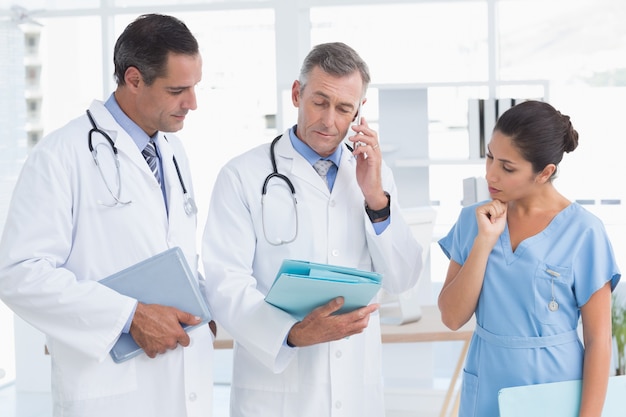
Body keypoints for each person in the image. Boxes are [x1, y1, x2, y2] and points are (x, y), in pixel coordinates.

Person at [0, 14, 214, 417]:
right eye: (177, 90)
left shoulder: (173, 152)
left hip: (184, 380)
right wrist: (129, 316)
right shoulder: (60, 156)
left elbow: (170, 251)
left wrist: (207, 303)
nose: (192, 103)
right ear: (133, 79)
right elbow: (19, 273)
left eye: (195, 87)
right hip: (110, 392)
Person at [201, 42, 423, 417]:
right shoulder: (242, 175)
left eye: (344, 109)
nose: (330, 121)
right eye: (320, 102)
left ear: (360, 111)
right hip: (277, 393)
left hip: (355, 392)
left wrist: (376, 200)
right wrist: (289, 333)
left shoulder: (373, 177)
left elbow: (402, 279)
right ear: (296, 94)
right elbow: (225, 284)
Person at [437, 100, 621, 417]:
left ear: (545, 172)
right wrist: (484, 242)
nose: (491, 174)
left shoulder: (584, 232)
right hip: (487, 384)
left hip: (554, 387)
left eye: (507, 167)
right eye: (490, 157)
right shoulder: (473, 219)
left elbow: (598, 340)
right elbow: (452, 318)